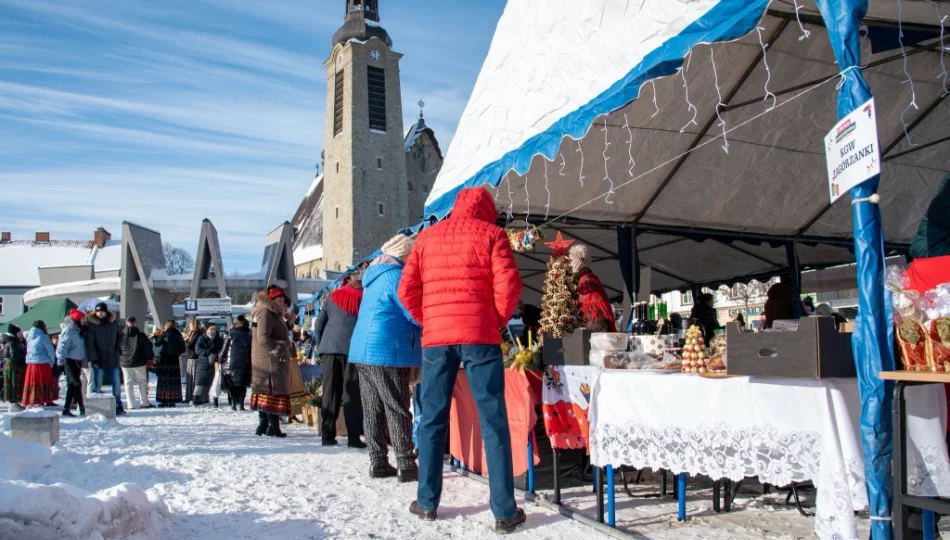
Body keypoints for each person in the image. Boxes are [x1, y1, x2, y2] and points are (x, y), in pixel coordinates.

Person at [398, 186, 526, 533]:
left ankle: (426, 503)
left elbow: (405, 290)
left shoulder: (426, 238)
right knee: (493, 420)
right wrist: (493, 319)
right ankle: (503, 511)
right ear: (486, 210)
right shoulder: (493, 234)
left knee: (433, 419)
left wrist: (431, 320)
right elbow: (509, 285)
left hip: (437, 340)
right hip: (480, 336)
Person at [349, 233, 421, 481]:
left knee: (372, 409)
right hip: (387, 349)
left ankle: (378, 462)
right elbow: (412, 312)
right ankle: (406, 464)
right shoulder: (397, 277)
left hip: (362, 350)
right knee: (396, 407)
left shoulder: (373, 279)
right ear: (405, 256)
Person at [314, 277, 365, 448]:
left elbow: (319, 324)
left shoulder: (333, 297)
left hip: (329, 350)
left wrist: (322, 345)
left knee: (329, 393)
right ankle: (353, 438)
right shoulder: (362, 300)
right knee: (352, 394)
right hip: (352, 352)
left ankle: (327, 435)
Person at [250, 286, 294, 438]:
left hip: (269, 360)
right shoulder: (265, 312)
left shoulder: (272, 313)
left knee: (267, 393)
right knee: (271, 392)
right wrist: (279, 349)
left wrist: (289, 324)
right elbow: (263, 337)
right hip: (269, 361)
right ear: (271, 300)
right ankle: (272, 427)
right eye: (279, 299)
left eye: (283, 299)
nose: (282, 302)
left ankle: (264, 425)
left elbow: (275, 332)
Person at [85, 302, 125, 414]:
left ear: (106, 312)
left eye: (102, 311)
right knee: (97, 383)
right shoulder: (92, 325)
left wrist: (117, 347)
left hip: (112, 357)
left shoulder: (113, 323)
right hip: (99, 358)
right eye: (98, 311)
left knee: (116, 382)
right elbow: (90, 343)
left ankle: (117, 404)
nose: (100, 313)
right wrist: (94, 359)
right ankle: (96, 406)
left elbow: (120, 335)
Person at [569, 244, 617, 332]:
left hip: (595, 328)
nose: (570, 264)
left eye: (572, 260)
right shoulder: (583, 279)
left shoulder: (588, 280)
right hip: (591, 327)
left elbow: (592, 311)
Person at [119, 316, 154, 410]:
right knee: (142, 382)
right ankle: (144, 402)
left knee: (128, 383)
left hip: (125, 363)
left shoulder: (121, 335)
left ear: (126, 323)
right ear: (135, 323)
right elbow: (149, 346)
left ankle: (131, 405)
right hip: (139, 362)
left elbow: (117, 347)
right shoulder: (141, 335)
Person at [58, 309, 87, 416]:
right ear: (77, 320)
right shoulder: (69, 331)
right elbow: (62, 347)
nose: (84, 320)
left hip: (77, 361)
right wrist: (60, 362)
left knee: (71, 385)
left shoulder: (79, 331)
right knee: (77, 383)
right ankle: (82, 407)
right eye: (83, 318)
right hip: (69, 360)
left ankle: (66, 408)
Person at [22, 321, 58, 407]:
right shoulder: (43, 337)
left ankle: (33, 399)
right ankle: (43, 399)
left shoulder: (29, 337)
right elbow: (50, 351)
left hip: (31, 363)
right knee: (43, 382)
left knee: (33, 382)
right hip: (43, 363)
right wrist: (52, 361)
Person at [222, 315, 252, 411]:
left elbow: (224, 349)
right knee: (242, 384)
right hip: (244, 363)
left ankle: (233, 404)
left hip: (231, 364)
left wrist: (221, 359)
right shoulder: (249, 336)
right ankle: (241, 405)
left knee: (232, 385)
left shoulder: (231, 334)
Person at [152, 320, 185, 407]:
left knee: (164, 380)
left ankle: (164, 400)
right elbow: (183, 349)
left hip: (165, 360)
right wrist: (177, 353)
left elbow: (157, 344)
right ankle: (173, 400)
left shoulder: (164, 334)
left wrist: (155, 337)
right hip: (174, 359)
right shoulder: (178, 335)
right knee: (173, 381)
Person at [193, 324, 223, 406]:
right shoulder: (201, 338)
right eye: (211, 329)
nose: (213, 331)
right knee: (199, 382)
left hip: (215, 363)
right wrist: (209, 351)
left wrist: (217, 352)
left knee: (215, 382)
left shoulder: (218, 339)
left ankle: (214, 400)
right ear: (206, 330)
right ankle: (195, 399)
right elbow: (197, 350)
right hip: (203, 363)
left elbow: (222, 349)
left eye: (214, 329)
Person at [2, 324, 26, 411]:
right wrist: (22, 361)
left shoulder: (7, 341)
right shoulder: (13, 342)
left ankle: (13, 404)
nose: (21, 335)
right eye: (19, 333)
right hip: (14, 366)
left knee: (10, 384)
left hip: (8, 365)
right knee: (14, 384)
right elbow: (15, 355)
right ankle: (13, 404)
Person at [183, 319, 203, 404]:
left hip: (194, 358)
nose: (189, 326)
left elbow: (190, 345)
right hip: (191, 357)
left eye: (190, 325)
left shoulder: (197, 334)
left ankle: (194, 397)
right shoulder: (192, 334)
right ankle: (190, 396)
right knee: (190, 379)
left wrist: (185, 340)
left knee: (193, 379)